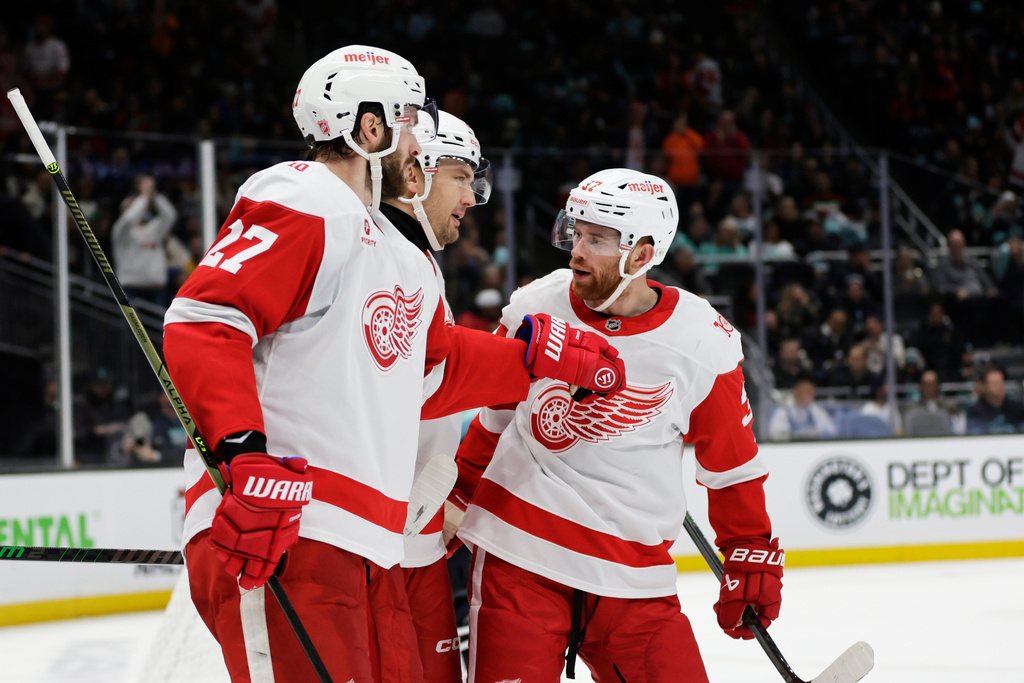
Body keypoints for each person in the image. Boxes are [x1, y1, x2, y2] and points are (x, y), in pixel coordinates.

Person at [162, 45, 625, 683]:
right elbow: (208, 321)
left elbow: (430, 371)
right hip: (285, 527)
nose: (420, 140)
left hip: (367, 545)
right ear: (370, 128)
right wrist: (243, 454)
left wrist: (534, 362)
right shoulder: (305, 195)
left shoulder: (400, 257)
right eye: (410, 120)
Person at [449, 169, 783, 682]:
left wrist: (750, 553)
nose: (577, 251)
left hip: (635, 578)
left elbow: (731, 467)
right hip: (519, 558)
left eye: (598, 240)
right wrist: (457, 492)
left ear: (642, 255)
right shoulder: (538, 304)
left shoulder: (700, 343)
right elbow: (493, 417)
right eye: (575, 233)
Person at [379, 109, 495, 683]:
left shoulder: (415, 261)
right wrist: (526, 363)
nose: (472, 197)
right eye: (461, 176)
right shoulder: (376, 254)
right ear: (414, 174)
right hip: (377, 543)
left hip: (419, 530)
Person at [111, 174, 178, 307]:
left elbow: (170, 215)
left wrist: (154, 195)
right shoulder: (120, 231)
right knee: (131, 328)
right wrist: (144, 196)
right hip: (131, 289)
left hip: (156, 289)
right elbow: (128, 219)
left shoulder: (153, 229)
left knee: (157, 327)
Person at [767, 375, 837, 441]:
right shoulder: (783, 411)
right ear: (796, 392)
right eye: (807, 392)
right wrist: (801, 436)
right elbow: (776, 435)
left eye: (812, 392)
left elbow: (831, 431)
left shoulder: (815, 410)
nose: (811, 395)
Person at [965, 365, 1024, 434]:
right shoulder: (975, 411)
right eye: (994, 384)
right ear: (985, 386)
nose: (999, 387)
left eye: (1000, 382)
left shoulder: (1016, 408)